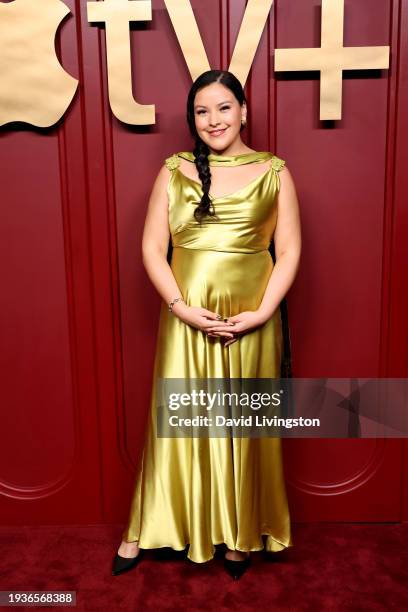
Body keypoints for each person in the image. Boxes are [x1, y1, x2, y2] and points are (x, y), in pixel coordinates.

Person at [112, 69, 301, 580]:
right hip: (186, 314)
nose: (213, 120)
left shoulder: (275, 171)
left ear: (244, 110)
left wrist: (262, 313)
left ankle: (238, 537)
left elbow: (289, 252)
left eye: (222, 107)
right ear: (193, 120)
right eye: (201, 111)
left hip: (253, 317)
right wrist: (178, 306)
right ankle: (145, 529)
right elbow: (152, 248)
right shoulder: (173, 170)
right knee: (178, 423)